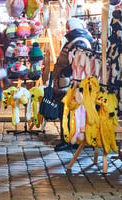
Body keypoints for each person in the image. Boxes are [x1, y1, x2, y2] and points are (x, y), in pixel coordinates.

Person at [51, 17, 93, 152]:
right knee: (66, 110)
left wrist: (64, 74)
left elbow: (79, 61)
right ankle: (69, 138)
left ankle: (69, 139)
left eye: (69, 27)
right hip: (67, 83)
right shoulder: (74, 40)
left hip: (71, 83)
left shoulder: (79, 41)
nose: (66, 30)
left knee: (68, 111)